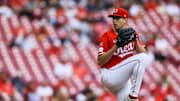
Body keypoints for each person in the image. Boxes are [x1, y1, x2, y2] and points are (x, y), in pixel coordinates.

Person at [97, 8, 148, 101]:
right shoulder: (107, 35)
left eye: (118, 18)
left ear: (125, 20)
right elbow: (99, 61)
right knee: (141, 58)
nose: (114, 21)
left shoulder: (132, 33)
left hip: (123, 79)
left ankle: (131, 97)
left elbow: (144, 52)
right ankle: (133, 96)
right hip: (110, 74)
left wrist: (136, 41)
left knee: (143, 57)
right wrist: (116, 46)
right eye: (113, 18)